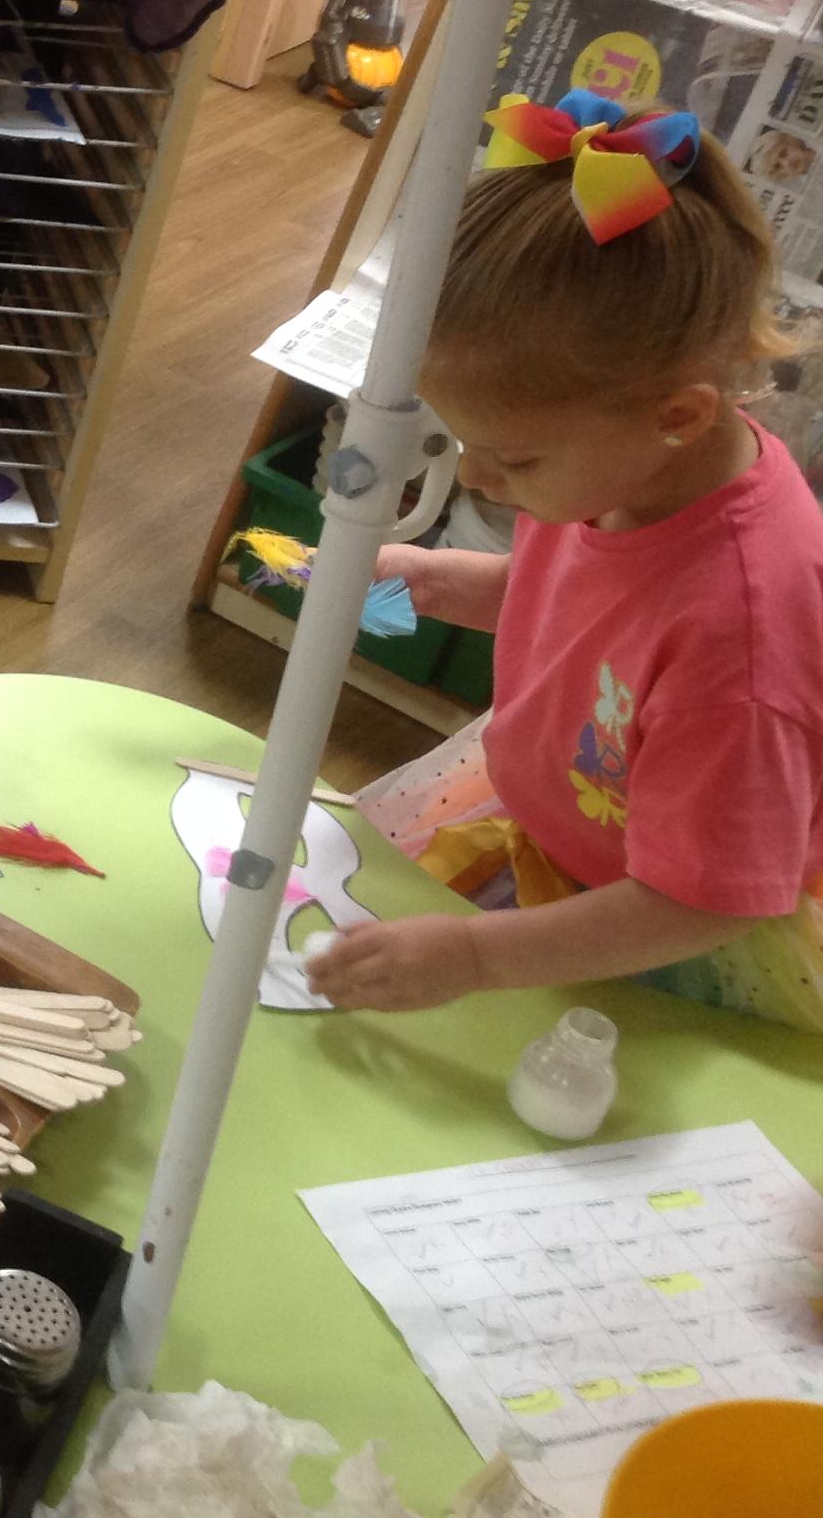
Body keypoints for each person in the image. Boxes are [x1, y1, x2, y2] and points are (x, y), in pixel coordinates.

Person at [311, 95, 823, 1031]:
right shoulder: (625, 468)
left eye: (512, 457)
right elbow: (589, 610)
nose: (478, 477)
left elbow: (705, 902)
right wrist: (434, 580)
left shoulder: (742, 649)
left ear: (680, 416)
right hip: (582, 835)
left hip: (677, 934)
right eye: (467, 441)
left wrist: (477, 956)